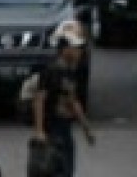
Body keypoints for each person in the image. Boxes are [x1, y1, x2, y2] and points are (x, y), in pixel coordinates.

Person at [32, 20, 95, 177]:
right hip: (52, 130)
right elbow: (39, 100)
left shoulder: (70, 73)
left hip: (65, 130)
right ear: (65, 48)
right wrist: (39, 131)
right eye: (77, 48)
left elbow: (73, 101)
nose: (80, 53)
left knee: (66, 169)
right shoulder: (51, 72)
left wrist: (86, 128)